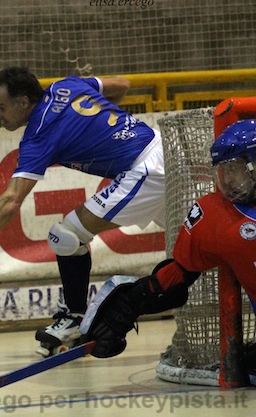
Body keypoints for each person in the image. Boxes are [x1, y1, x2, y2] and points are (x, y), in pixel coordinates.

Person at [0, 66, 165, 357]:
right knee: (197, 240)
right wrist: (99, 129)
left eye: (1, 107)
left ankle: (74, 319)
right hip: (163, 147)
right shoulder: (67, 85)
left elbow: (11, 200)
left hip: (146, 171)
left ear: (24, 102)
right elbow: (122, 84)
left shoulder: (39, 135)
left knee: (65, 236)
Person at [83, 120, 256, 380]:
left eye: (235, 168)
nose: (228, 180)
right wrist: (129, 304)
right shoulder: (214, 215)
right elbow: (176, 277)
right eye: (224, 170)